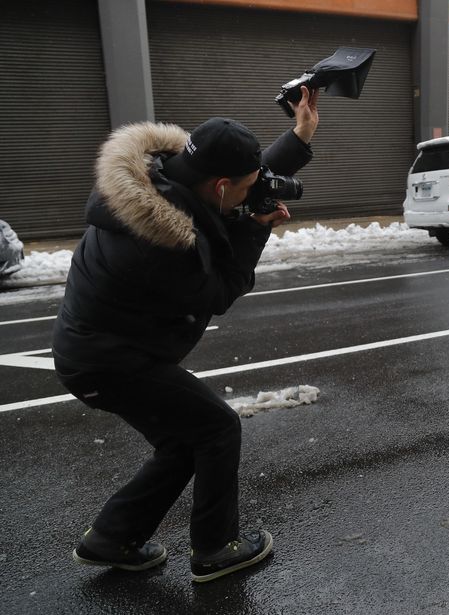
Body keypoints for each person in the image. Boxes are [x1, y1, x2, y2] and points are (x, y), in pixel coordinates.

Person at [52, 86, 320, 582]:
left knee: (183, 441)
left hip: (102, 350)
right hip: (110, 362)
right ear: (218, 188)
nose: (246, 194)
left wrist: (299, 137)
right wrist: (256, 227)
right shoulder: (159, 244)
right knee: (217, 428)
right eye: (240, 191)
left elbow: (242, 173)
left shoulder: (164, 177)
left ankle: (111, 538)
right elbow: (220, 290)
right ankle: (217, 548)